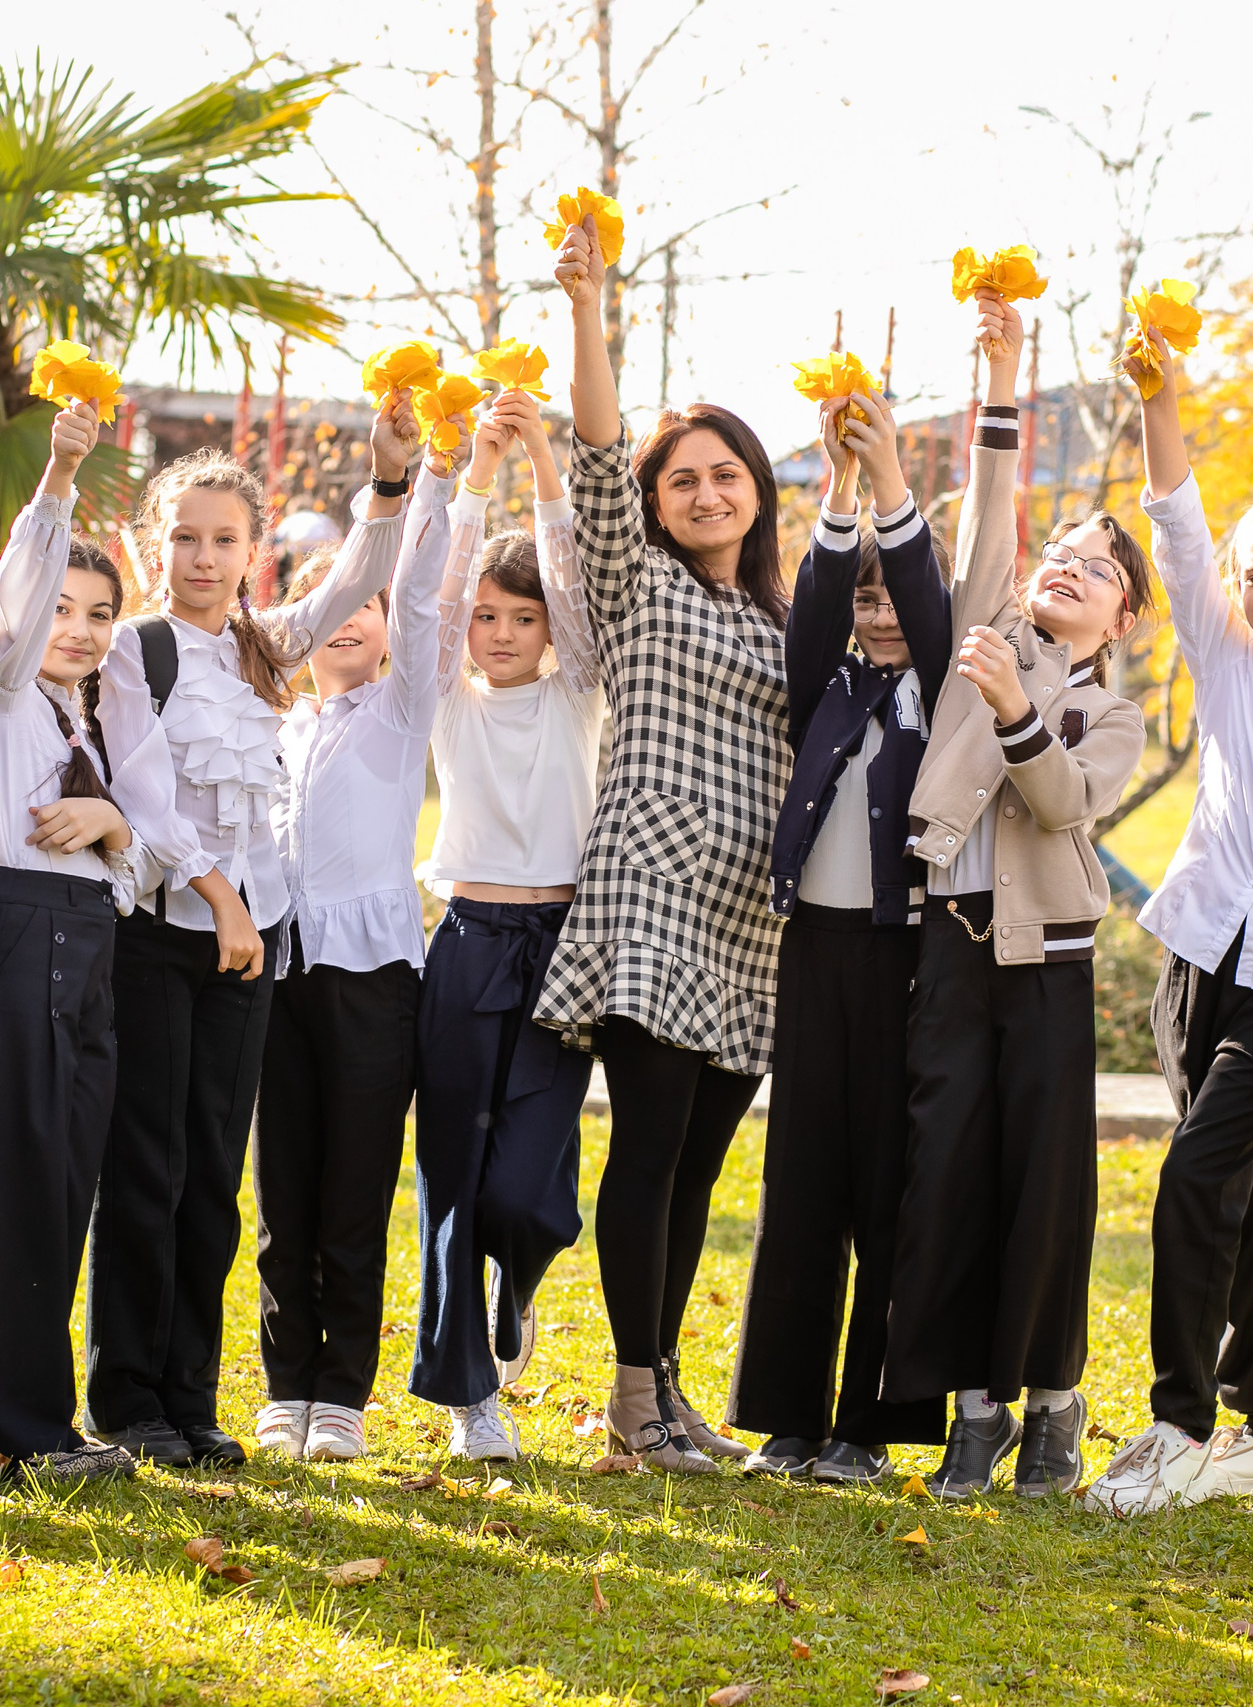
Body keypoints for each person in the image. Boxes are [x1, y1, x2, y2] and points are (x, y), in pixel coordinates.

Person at [86, 422, 410, 1470]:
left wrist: (390, 475)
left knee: (214, 1180)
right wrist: (224, 902)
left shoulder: (265, 646)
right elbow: (140, 802)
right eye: (184, 537)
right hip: (166, 935)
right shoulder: (138, 650)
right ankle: (128, 1398)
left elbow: (365, 563)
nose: (204, 557)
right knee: (147, 1167)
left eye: (225, 539)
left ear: (252, 551)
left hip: (247, 946)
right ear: (152, 548)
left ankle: (190, 1397)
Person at [882, 290, 1154, 1501]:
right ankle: (972, 1414)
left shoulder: (1116, 713)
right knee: (946, 1175)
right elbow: (988, 514)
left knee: (1043, 1190)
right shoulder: (983, 630)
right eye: (1063, 555)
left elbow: (1061, 809)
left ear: (1126, 617)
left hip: (1045, 964)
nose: (1066, 570)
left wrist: (1013, 711)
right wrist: (1002, 380)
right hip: (950, 945)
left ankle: (1053, 1407)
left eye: (1096, 570)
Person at [534, 211, 791, 1473]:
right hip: (651, 890)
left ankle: (667, 1391)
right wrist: (590, 305)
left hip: (753, 918)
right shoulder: (636, 580)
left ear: (757, 492)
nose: (702, 492)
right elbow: (593, 448)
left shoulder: (793, 621)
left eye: (723, 475)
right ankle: (634, 1402)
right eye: (680, 477)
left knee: (697, 1168)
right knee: (646, 1147)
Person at [1083, 321, 1253, 1518]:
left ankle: (1181, 1426)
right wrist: (1160, 397)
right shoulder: (1228, 659)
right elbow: (1176, 522)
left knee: (1191, 1177)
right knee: (1225, 1188)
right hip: (1196, 949)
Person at [731, 387, 950, 1484]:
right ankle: (789, 1417)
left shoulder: (947, 690)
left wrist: (895, 481)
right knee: (802, 1179)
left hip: (904, 959)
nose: (879, 613)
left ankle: (868, 1427)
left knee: (887, 1186)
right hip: (812, 955)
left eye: (894, 597)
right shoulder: (824, 681)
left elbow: (924, 594)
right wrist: (843, 489)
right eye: (868, 598)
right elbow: (813, 599)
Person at [0, 397, 144, 1483]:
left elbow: (134, 872)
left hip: (89, 947)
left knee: (64, 1181)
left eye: (100, 613)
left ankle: (27, 1424)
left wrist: (115, 826)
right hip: (19, 937)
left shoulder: (86, 719)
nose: (79, 627)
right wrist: (58, 478)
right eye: (63, 606)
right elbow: (18, 601)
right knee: (13, 1181)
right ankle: (7, 1430)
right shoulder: (3, 691)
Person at [249, 390, 456, 1466]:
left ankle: (342, 1394)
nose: (355, 620)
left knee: (353, 1193)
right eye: (336, 606)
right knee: (283, 1190)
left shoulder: (400, 712)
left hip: (376, 981)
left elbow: (420, 599)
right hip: (277, 977)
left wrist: (436, 479)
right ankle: (284, 1383)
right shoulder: (271, 725)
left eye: (369, 609)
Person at [407, 387, 604, 1461]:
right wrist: (473, 473)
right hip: (469, 940)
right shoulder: (446, 692)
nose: (500, 634)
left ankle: (514, 1285)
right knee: (451, 1169)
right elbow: (432, 604)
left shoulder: (578, 688)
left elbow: (573, 586)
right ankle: (469, 1401)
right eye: (488, 617)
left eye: (519, 618)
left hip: (561, 952)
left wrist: (539, 460)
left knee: (527, 1190)